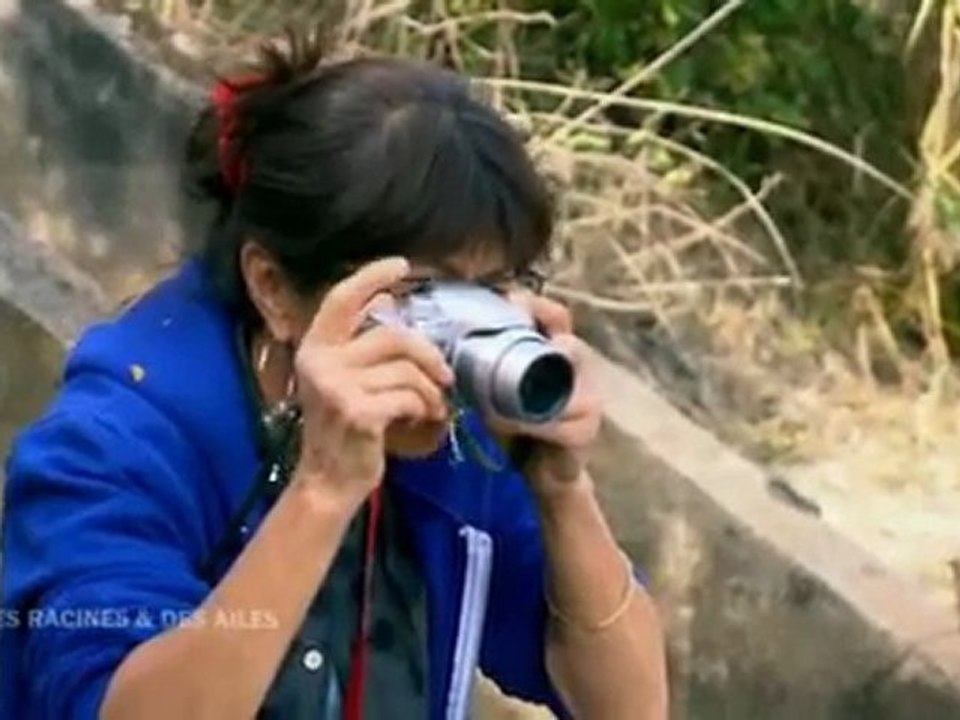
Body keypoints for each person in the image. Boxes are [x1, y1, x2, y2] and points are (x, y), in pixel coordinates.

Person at [0, 32, 668, 720]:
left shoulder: (460, 437)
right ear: (275, 290)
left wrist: (562, 489)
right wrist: (323, 490)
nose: (457, 342)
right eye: (424, 296)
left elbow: (628, 709)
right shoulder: (115, 444)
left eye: (493, 289)